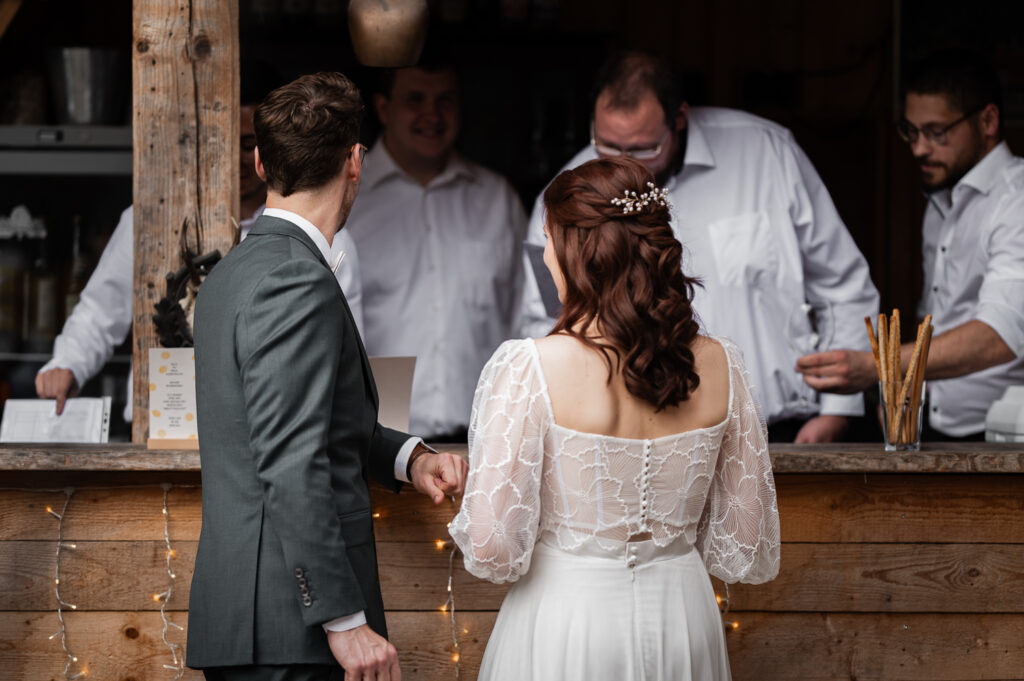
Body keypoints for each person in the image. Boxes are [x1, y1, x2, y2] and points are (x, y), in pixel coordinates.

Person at [450, 157, 779, 680]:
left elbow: (492, 549)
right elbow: (744, 539)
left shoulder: (530, 367)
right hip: (682, 617)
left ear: (577, 252)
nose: (546, 258)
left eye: (548, 241)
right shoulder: (723, 364)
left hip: (568, 618)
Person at [185, 72, 468, 681]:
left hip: (255, 626)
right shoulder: (296, 277)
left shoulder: (233, 271)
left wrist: (410, 458)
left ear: (260, 163)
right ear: (355, 161)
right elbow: (291, 456)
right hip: (292, 630)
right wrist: (342, 619)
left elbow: (298, 421)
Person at [519, 51, 879, 443]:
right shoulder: (565, 199)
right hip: (638, 441)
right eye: (605, 145)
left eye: (642, 149)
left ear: (678, 119)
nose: (623, 164)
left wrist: (838, 410)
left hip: (784, 429)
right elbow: (548, 321)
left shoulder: (768, 153)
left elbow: (841, 283)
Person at [34, 96, 365, 421]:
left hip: (263, 431)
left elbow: (345, 353)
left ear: (268, 153)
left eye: (247, 144)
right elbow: (102, 308)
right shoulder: (149, 218)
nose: (235, 158)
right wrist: (67, 364)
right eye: (222, 143)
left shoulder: (324, 235)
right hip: (159, 425)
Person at [797, 50, 1024, 440]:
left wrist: (880, 366)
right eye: (911, 132)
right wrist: (905, 391)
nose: (919, 148)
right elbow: (940, 316)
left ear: (988, 121)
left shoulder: (1016, 200)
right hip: (933, 426)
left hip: (1005, 439)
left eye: (936, 132)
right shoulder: (941, 200)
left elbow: (1000, 335)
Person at [344, 58, 527, 440]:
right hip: (380, 444)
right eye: (415, 99)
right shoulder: (347, 199)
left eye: (445, 100)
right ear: (383, 108)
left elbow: (525, 321)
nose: (432, 114)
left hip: (487, 440)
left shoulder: (498, 200)